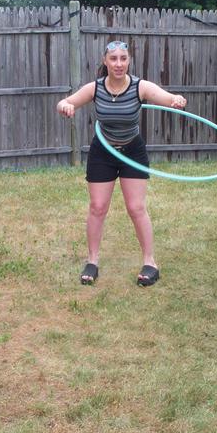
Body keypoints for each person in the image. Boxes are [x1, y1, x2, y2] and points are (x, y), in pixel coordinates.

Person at [57, 40, 187, 286]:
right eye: (113, 58)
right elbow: (66, 102)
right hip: (103, 152)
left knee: (136, 208)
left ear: (129, 61)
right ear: (105, 61)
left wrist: (176, 100)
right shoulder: (95, 88)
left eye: (123, 58)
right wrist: (65, 106)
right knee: (97, 207)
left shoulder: (140, 87)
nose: (118, 64)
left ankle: (150, 262)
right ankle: (92, 261)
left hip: (132, 151)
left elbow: (167, 98)